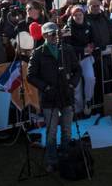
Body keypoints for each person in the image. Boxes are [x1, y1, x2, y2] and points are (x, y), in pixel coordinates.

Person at [25, 22, 79, 174]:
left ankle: (66, 158)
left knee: (67, 131)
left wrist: (72, 84)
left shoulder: (67, 49)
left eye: (55, 32)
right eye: (50, 33)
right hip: (49, 98)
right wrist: (46, 87)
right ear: (44, 35)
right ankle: (52, 161)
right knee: (51, 132)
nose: (54, 36)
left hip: (66, 96)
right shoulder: (38, 53)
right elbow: (31, 76)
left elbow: (77, 70)